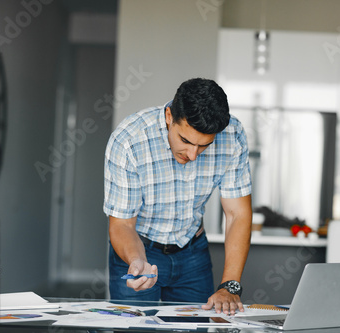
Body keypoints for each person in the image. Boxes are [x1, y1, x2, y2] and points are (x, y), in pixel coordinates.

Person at [103, 78, 252, 315]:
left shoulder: (233, 136)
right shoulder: (129, 140)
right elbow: (122, 224)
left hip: (193, 255)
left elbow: (237, 214)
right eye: (185, 141)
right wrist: (137, 261)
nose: (193, 155)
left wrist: (229, 285)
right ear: (169, 116)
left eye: (204, 146)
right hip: (139, 247)